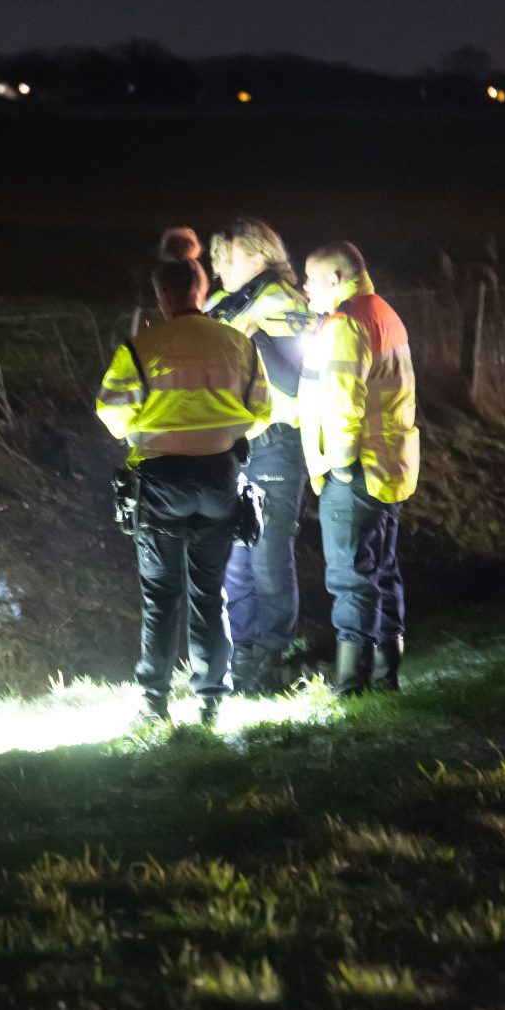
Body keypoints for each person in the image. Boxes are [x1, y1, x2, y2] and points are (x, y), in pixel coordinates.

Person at [97, 257, 271, 726]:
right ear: (202, 289)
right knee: (209, 594)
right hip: (220, 478)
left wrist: (149, 430)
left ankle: (153, 702)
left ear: (163, 297)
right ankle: (212, 698)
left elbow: (110, 413)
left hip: (161, 482)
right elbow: (262, 412)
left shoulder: (140, 347)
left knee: (160, 595)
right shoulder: (238, 344)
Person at [299, 241, 420, 695]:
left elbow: (341, 403)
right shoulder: (383, 312)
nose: (303, 287)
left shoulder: (346, 323)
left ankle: (351, 686)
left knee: (350, 577)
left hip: (359, 467)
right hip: (391, 462)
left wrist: (341, 464)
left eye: (309, 278)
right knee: (382, 571)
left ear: (334, 277)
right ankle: (387, 677)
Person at [205, 218, 316, 695]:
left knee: (268, 559)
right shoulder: (221, 306)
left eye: (225, 258)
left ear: (256, 255)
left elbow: (303, 379)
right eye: (214, 261)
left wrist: (256, 342)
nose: (218, 268)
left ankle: (271, 657)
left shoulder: (281, 303)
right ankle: (244, 654)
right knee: (233, 562)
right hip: (230, 447)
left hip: (275, 443)